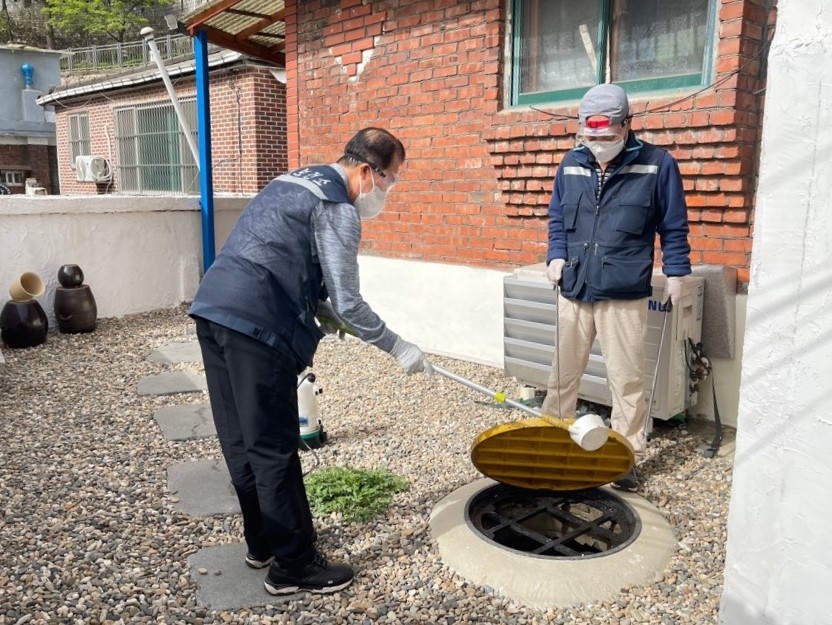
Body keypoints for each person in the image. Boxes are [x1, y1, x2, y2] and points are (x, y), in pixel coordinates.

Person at [188, 127, 433, 596]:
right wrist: (397, 346)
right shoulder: (338, 206)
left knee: (240, 439)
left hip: (214, 308)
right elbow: (349, 301)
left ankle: (263, 543)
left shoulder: (294, 180)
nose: (387, 190)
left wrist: (317, 308)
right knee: (273, 447)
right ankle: (294, 565)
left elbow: (277, 251)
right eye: (390, 179)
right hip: (258, 323)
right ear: (367, 171)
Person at [542, 84, 691, 492]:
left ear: (626, 125)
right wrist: (555, 255)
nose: (598, 144)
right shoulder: (571, 163)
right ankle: (552, 443)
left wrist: (676, 273)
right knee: (561, 377)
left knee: (626, 381)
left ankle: (624, 456)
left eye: (607, 136)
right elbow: (557, 218)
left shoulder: (657, 165)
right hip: (574, 285)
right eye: (590, 137)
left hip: (624, 292)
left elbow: (673, 226)